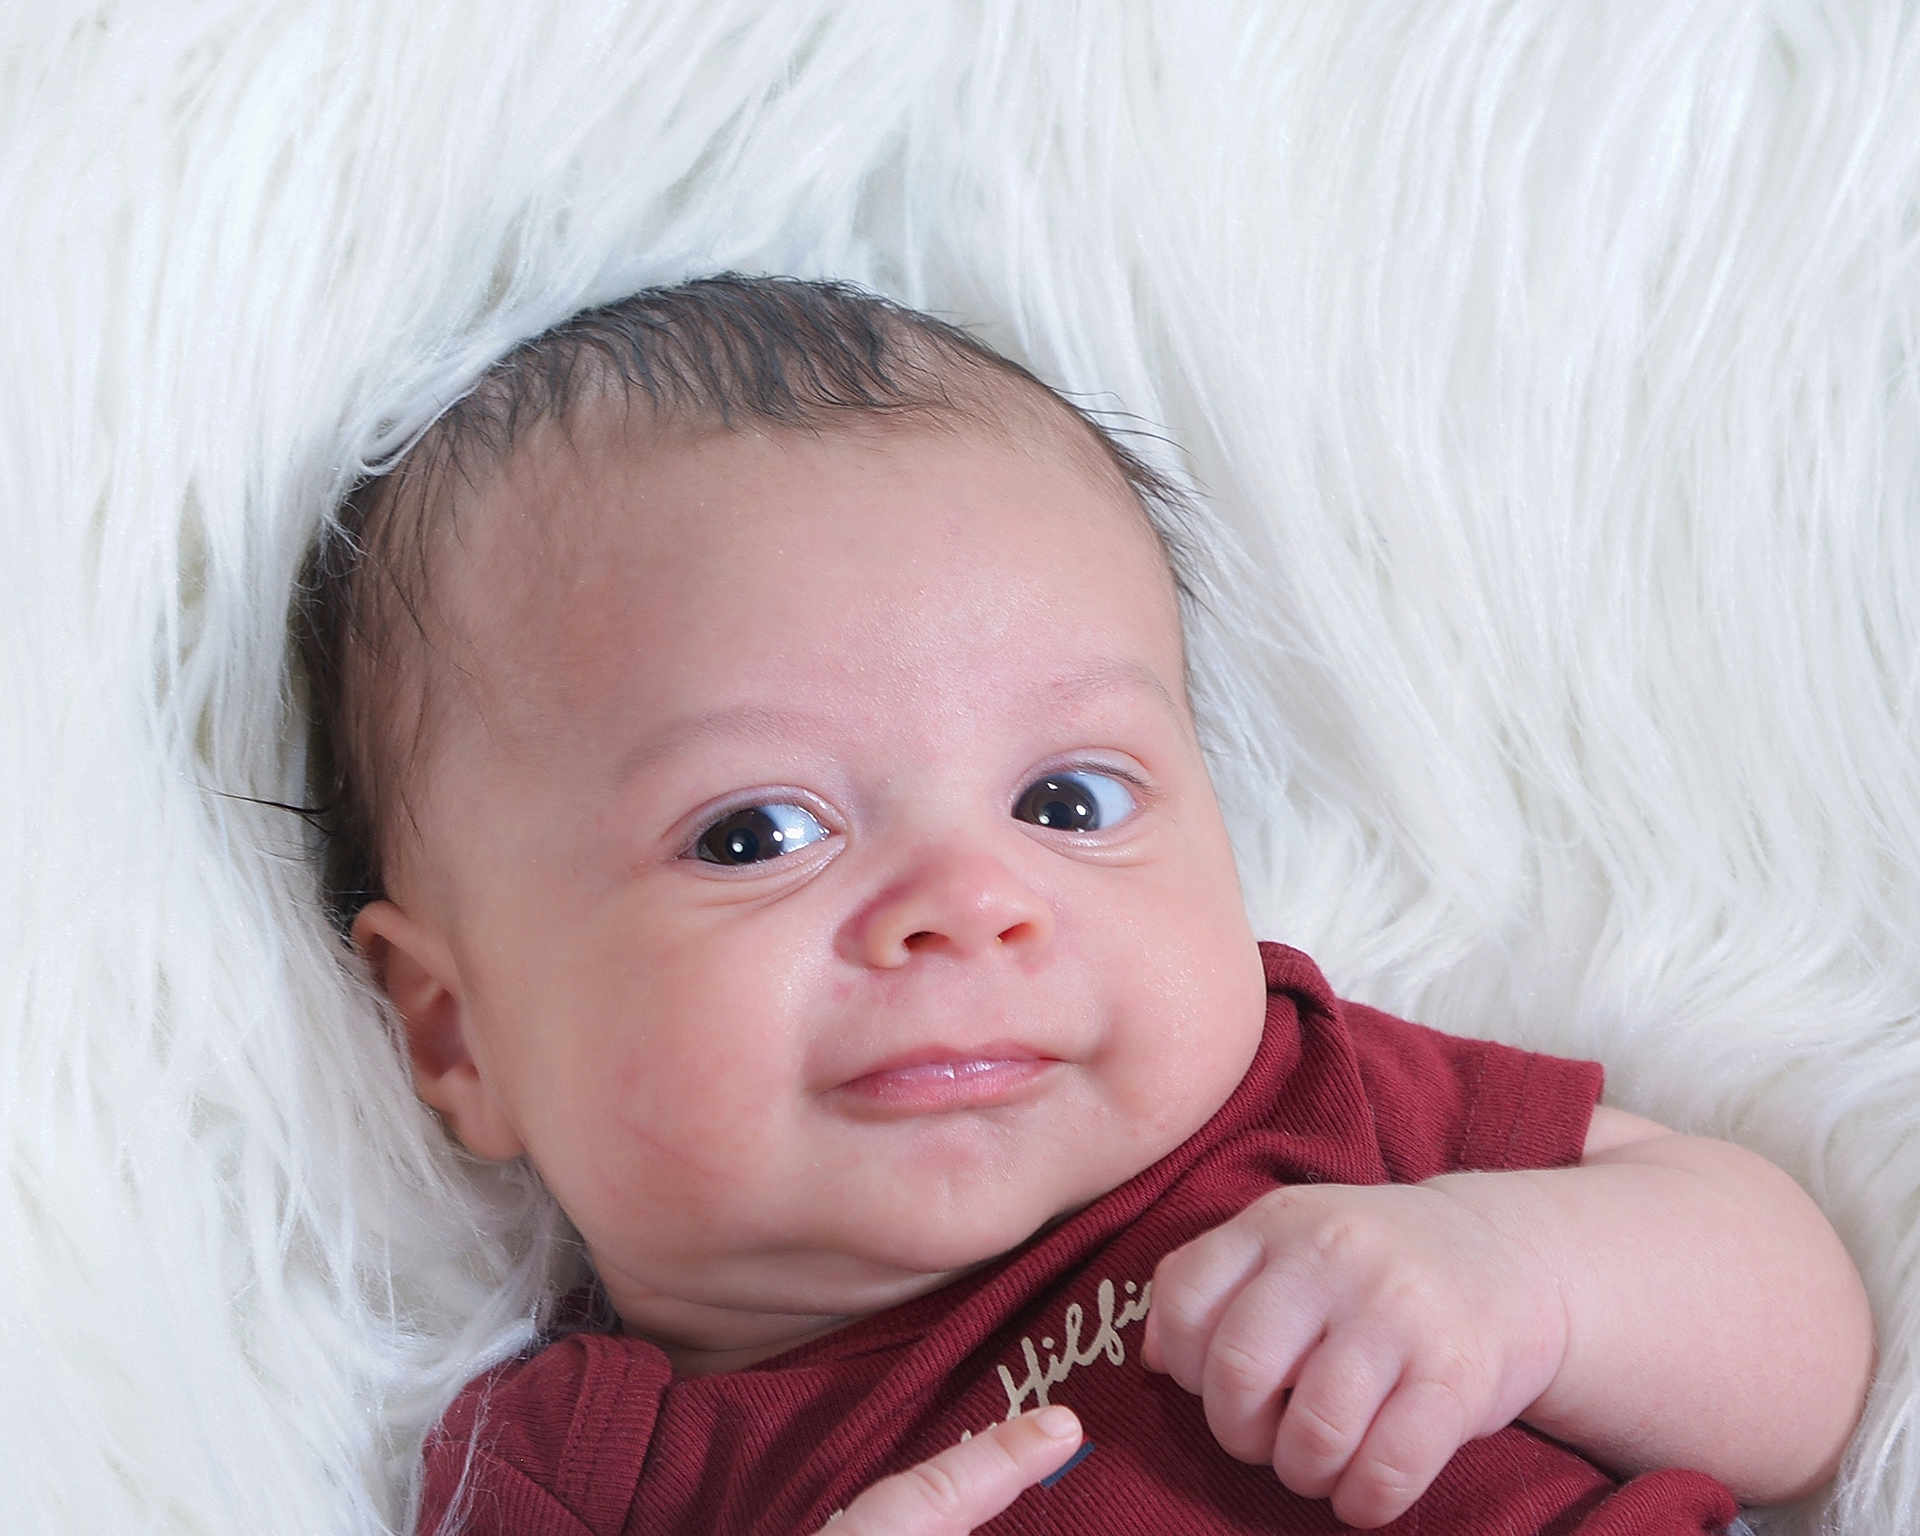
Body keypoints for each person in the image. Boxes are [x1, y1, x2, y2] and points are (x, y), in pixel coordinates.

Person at [297, 275, 1874, 1535]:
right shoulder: (591, 1469)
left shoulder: (1313, 1104)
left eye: (1067, 803)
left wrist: (1521, 1281)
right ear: (456, 1035)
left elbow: (1808, 1382)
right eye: (759, 832)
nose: (972, 904)